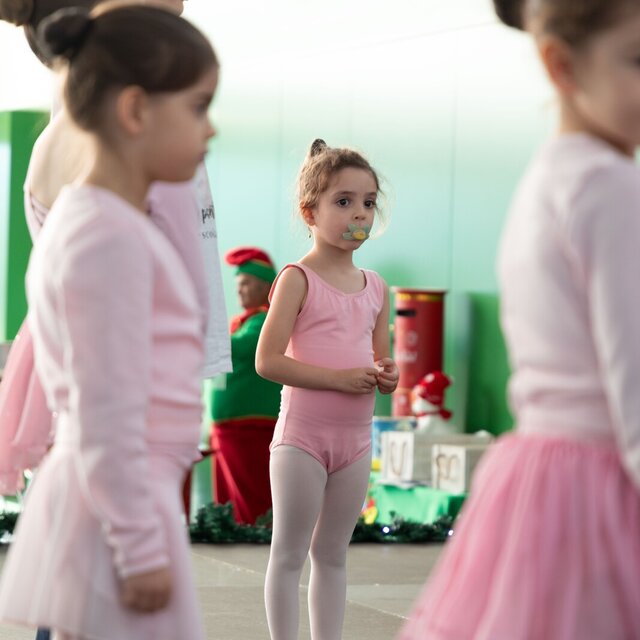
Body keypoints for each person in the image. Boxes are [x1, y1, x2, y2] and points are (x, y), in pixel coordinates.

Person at [399, 1, 640, 638]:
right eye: (638, 60)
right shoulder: (611, 186)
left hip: (538, 483)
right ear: (562, 66)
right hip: (605, 486)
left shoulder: (548, 178)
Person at [0, 4, 218, 639]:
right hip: (121, 501)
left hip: (125, 494)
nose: (210, 129)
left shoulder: (103, 222)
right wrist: (139, 546)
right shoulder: (107, 238)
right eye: (198, 107)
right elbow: (106, 410)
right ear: (135, 110)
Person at [256, 138, 399, 640]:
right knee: (289, 553)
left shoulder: (377, 287)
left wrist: (387, 375)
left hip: (355, 442)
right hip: (303, 441)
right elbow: (268, 361)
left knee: (333, 554)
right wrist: (338, 379)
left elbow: (381, 359)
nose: (359, 213)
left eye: (368, 203)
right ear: (309, 212)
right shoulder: (298, 279)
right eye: (343, 201)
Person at [210, 246, 282, 524]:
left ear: (265, 286)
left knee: (251, 498)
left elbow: (241, 347)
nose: (239, 290)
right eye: (238, 284)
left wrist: (202, 330)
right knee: (230, 500)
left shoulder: (265, 320)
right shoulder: (243, 322)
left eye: (246, 283)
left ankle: (257, 540)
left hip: (251, 428)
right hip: (232, 429)